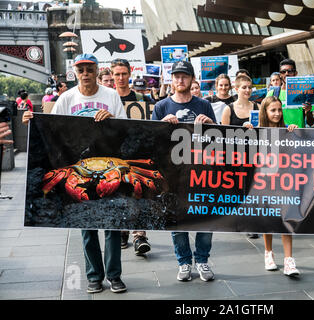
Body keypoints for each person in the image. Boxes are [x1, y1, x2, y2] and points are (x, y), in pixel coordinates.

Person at [22, 53, 128, 294]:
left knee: (112, 223)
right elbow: (52, 127)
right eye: (81, 70)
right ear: (75, 72)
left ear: (97, 70)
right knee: (85, 223)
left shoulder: (111, 96)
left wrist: (111, 119)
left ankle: (114, 275)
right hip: (78, 170)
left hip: (107, 166)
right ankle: (94, 276)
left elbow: (125, 129)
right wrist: (33, 120)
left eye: (90, 69)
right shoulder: (66, 98)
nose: (85, 73)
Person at [152, 60, 216, 282]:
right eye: (177, 76)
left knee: (205, 218)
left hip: (201, 171)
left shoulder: (204, 105)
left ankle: (203, 261)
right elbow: (152, 141)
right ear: (172, 80)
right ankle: (184, 262)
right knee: (176, 219)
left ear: (192, 79)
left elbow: (217, 138)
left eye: (185, 76)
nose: (180, 80)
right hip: (173, 173)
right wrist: (161, 125)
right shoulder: (161, 107)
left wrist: (208, 123)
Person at [244, 96, 300, 276]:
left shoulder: (287, 130)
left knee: (286, 218)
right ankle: (268, 253)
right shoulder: (258, 131)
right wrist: (247, 131)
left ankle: (289, 259)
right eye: (273, 110)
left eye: (279, 110)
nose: (277, 114)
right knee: (267, 217)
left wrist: (294, 132)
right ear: (265, 112)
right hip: (264, 181)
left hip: (284, 181)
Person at [110, 58, 153, 254]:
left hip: (136, 154)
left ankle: (139, 235)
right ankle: (122, 230)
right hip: (113, 155)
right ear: (112, 75)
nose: (120, 77)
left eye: (124, 73)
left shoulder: (141, 99)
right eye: (117, 74)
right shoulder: (108, 98)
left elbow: (150, 126)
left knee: (137, 192)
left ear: (129, 74)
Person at [222, 74, 260, 239]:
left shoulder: (258, 107)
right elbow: (222, 135)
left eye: (250, 87)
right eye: (244, 87)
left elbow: (267, 127)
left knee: (251, 188)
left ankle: (251, 223)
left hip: (254, 154)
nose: (247, 90)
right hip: (235, 155)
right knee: (238, 189)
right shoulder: (228, 109)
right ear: (236, 89)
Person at [266, 59, 314, 128]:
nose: (286, 74)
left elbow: (311, 123)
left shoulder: (305, 94)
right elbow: (265, 118)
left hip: (298, 136)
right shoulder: (272, 94)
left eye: (290, 71)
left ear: (295, 73)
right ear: (280, 75)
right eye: (283, 72)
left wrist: (308, 111)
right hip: (279, 136)